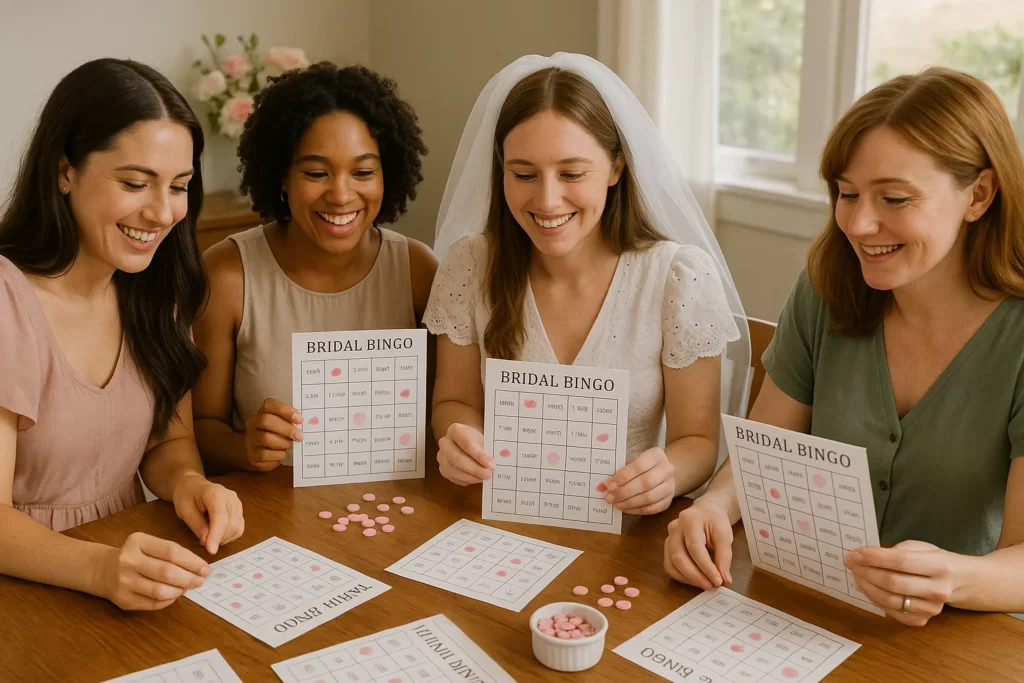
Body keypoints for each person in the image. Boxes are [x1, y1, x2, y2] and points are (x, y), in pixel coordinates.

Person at [665, 67, 1024, 625]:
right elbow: (762, 454)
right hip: (811, 608)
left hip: (962, 637)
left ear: (978, 195)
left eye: (895, 198)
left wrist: (953, 577)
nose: (858, 223)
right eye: (847, 193)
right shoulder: (825, 288)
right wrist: (713, 505)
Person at [424, 53, 750, 516]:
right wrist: (459, 437)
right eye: (523, 174)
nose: (547, 199)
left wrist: (666, 476)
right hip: (497, 518)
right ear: (500, 169)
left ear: (617, 167)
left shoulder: (677, 279)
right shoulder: (470, 266)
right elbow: (453, 401)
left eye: (572, 174)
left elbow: (695, 442)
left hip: (626, 535)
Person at [0, 58, 245, 610]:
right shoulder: (7, 302)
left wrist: (188, 484)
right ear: (65, 171)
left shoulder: (158, 289)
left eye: (179, 186)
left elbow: (169, 441)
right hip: (29, 586)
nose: (162, 212)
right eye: (135, 183)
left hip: (126, 572)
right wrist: (99, 566)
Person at [192, 62, 437, 473]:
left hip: (392, 508)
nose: (341, 195)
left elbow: (440, 418)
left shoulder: (417, 271)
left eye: (362, 172)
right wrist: (245, 448)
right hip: (269, 511)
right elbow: (199, 427)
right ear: (282, 176)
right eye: (316, 172)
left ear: (386, 176)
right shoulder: (226, 275)